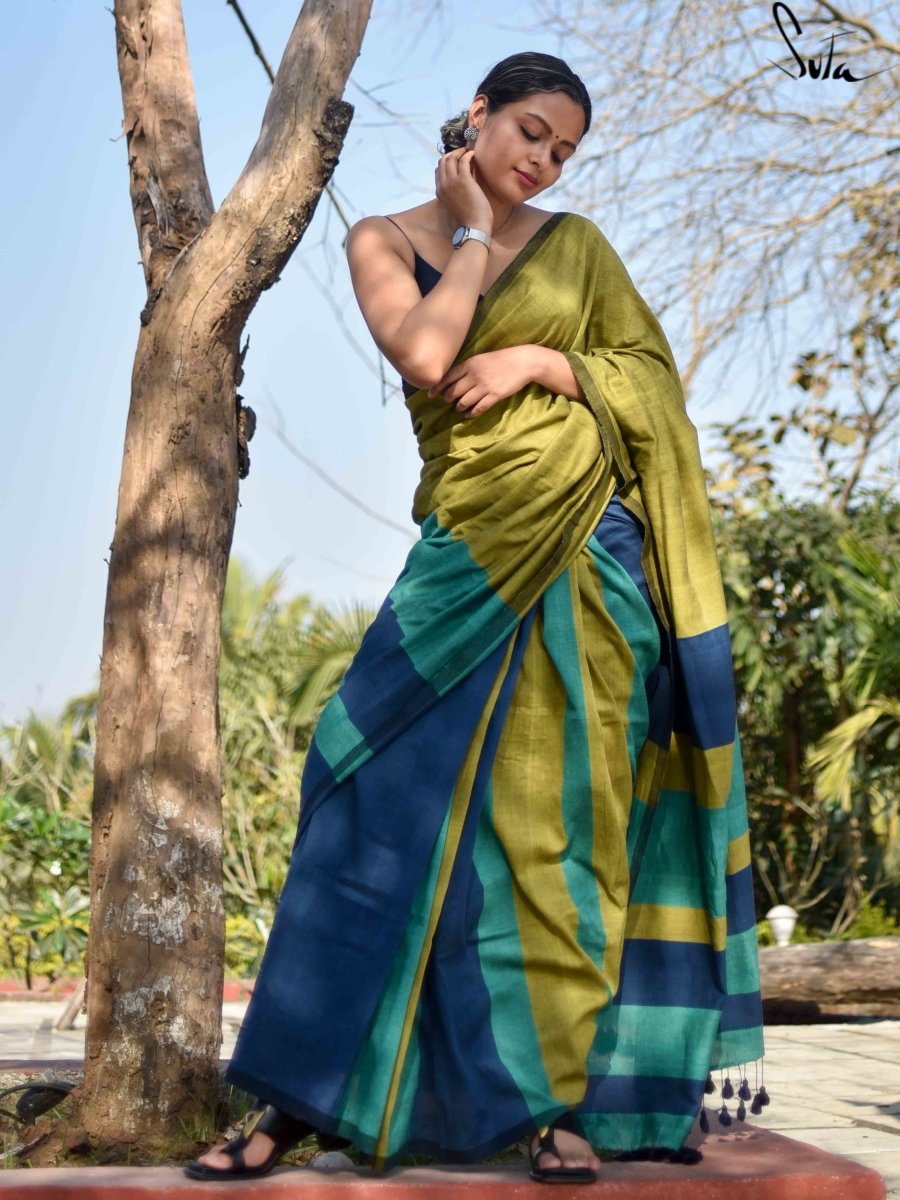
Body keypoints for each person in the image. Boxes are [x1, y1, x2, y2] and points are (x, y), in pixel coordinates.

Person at [186, 50, 766, 1185]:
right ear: (480, 115)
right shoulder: (386, 242)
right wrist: (464, 233)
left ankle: (549, 1106)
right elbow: (426, 350)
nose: (542, 160)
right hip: (470, 552)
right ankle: (294, 1096)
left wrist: (551, 361)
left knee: (558, 836)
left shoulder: (579, 248)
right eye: (531, 131)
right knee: (355, 790)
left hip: (594, 565)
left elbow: (648, 378)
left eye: (562, 148)